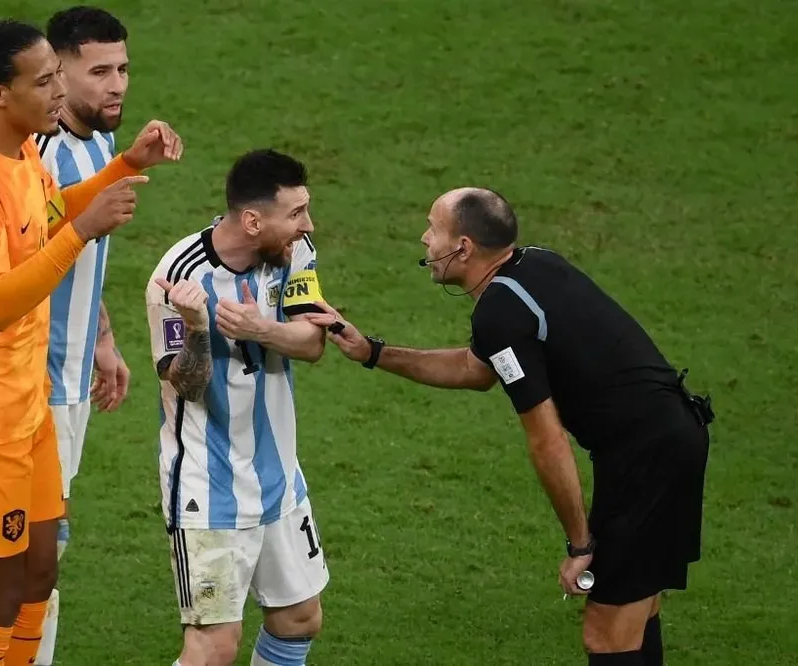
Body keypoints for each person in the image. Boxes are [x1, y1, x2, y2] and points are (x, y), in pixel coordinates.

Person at [305, 187, 713, 666]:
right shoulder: (536, 264)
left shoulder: (501, 311)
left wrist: (580, 543)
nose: (424, 239)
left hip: (646, 460)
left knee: (606, 635)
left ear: (464, 248)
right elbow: (479, 370)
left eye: (434, 230)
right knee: (637, 611)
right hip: (672, 435)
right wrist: (372, 352)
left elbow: (547, 440)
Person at [0, 19, 181, 665]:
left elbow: (47, 217)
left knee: (38, 576)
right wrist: (85, 230)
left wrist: (126, 164)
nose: (60, 91)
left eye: (59, 75)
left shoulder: (21, 144)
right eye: (45, 80)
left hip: (25, 407)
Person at [145, 149, 330, 666]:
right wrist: (200, 327)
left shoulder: (296, 252)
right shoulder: (177, 277)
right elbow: (185, 385)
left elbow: (312, 343)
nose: (306, 225)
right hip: (210, 484)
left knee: (299, 618)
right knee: (212, 648)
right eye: (295, 214)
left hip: (279, 474)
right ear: (253, 221)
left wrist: (260, 329)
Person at [31, 7, 152, 664]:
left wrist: (101, 336)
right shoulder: (44, 156)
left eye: (124, 69)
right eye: (99, 71)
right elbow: (21, 261)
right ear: (58, 71)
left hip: (73, 374)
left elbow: (77, 262)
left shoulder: (101, 145)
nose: (117, 86)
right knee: (37, 553)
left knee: (47, 544)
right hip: (34, 383)